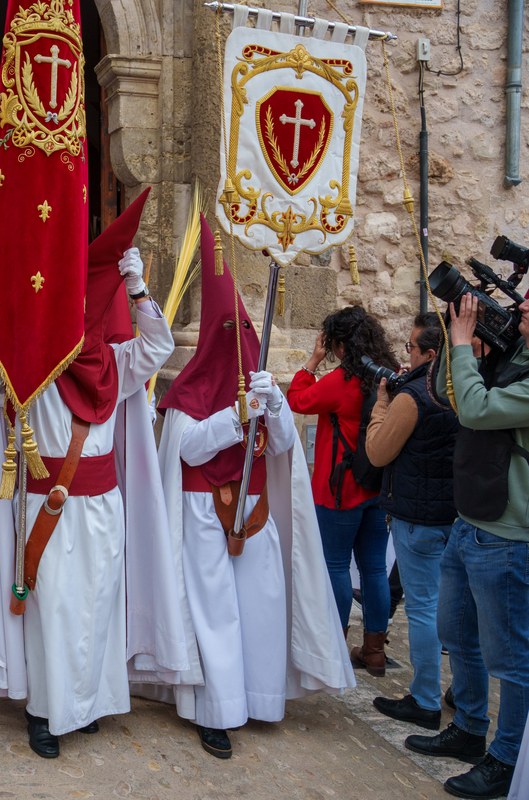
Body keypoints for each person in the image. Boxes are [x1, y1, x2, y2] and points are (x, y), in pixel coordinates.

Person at [0, 193, 186, 759]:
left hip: (103, 505)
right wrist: (0, 302)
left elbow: (159, 345)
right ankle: (44, 710)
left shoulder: (114, 365)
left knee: (98, 605)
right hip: (49, 507)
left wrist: (137, 290)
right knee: (53, 610)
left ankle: (87, 703)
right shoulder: (30, 366)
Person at [157, 216, 352, 760]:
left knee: (260, 605)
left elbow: (287, 443)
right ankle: (215, 710)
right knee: (215, 611)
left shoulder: (262, 385)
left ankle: (260, 697)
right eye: (233, 336)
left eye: (247, 336)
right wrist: (231, 416)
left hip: (256, 508)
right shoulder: (188, 393)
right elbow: (188, 449)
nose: (242, 347)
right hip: (201, 510)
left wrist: (274, 403)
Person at [407, 292, 529, 799]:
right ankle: (470, 728)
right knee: (456, 630)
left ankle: (507, 759)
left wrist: (458, 343)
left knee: (511, 657)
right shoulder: (515, 354)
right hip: (470, 518)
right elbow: (453, 398)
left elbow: (476, 410)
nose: (522, 307)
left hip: (506, 532)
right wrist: (472, 348)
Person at [288, 305, 400, 675]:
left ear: (338, 345)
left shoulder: (341, 381)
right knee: (372, 569)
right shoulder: (389, 377)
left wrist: (311, 362)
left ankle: (335, 643)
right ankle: (374, 650)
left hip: (340, 488)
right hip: (376, 488)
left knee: (335, 565)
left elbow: (297, 399)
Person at [366, 313, 457, 730]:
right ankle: (462, 693)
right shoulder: (465, 388)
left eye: (412, 348)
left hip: (418, 517)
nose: (408, 354)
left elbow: (378, 452)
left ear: (429, 354)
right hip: (455, 514)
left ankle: (424, 699)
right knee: (455, 610)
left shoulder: (414, 395)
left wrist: (383, 401)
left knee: (422, 610)